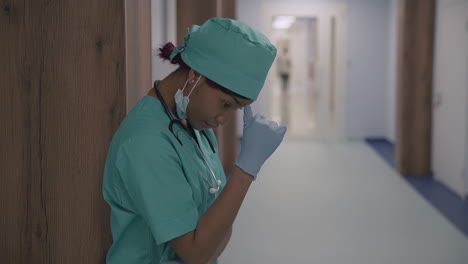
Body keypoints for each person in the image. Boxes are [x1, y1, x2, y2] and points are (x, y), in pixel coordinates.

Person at [102, 17, 287, 264]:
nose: (224, 119)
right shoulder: (146, 144)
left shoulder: (194, 124)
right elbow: (197, 254)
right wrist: (245, 172)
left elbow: (217, 229)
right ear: (195, 77)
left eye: (237, 109)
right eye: (226, 104)